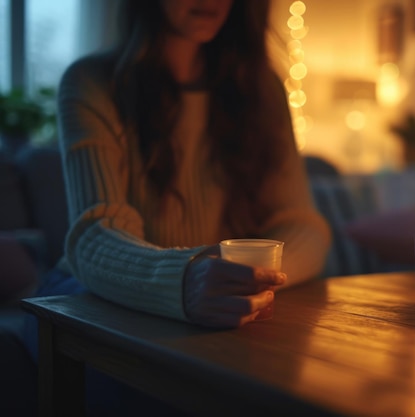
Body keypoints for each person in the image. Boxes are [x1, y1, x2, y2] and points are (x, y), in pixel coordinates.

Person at [16, 0, 331, 414]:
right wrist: (184, 279)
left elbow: (302, 225)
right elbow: (95, 232)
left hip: (218, 300)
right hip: (96, 290)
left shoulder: (261, 88)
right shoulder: (93, 81)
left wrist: (248, 278)